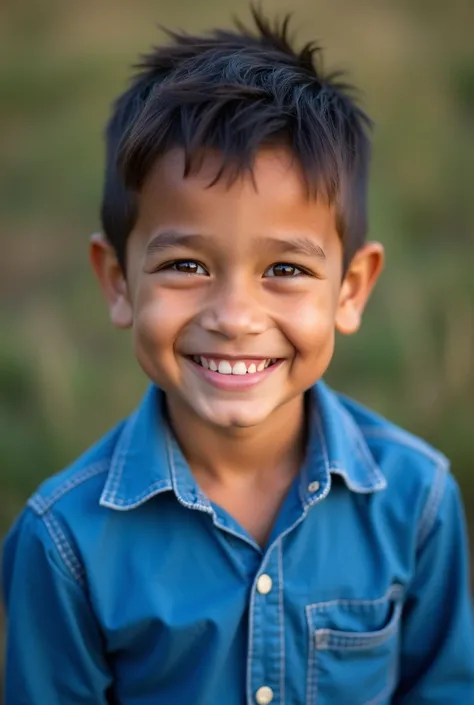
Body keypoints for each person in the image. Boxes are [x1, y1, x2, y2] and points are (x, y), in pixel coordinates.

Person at [2, 8, 473, 704]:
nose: (234, 317)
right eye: (187, 265)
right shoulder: (64, 541)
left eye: (285, 270)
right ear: (117, 281)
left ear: (351, 289)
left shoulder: (418, 500)